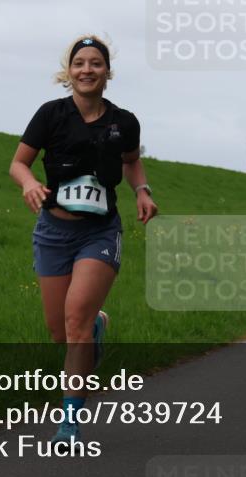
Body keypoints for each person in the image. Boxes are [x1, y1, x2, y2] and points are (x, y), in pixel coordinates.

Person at [10, 35, 159, 447]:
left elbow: (131, 161)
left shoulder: (124, 122)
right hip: (53, 231)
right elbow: (18, 163)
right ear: (69, 70)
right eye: (79, 63)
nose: (87, 70)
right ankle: (97, 324)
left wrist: (142, 190)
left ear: (107, 72)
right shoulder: (51, 114)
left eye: (96, 63)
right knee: (60, 331)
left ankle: (69, 423)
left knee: (74, 325)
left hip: (99, 232)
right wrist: (29, 184)